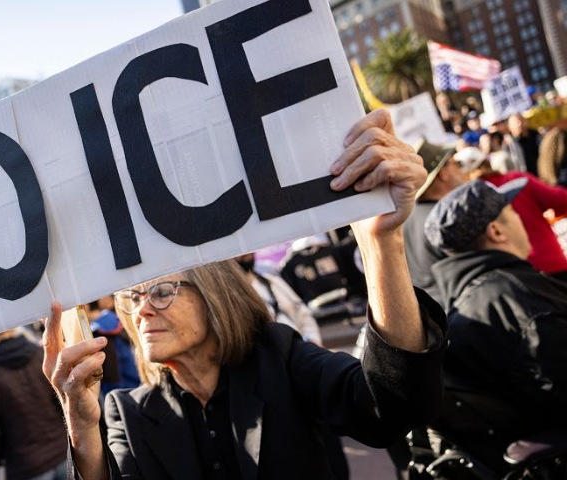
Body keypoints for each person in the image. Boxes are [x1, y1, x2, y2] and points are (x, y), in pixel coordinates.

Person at [42, 110, 447, 479]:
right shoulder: (126, 413)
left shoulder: (281, 360)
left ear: (215, 293)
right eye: (133, 297)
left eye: (162, 291)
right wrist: (79, 422)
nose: (142, 310)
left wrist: (380, 242)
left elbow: (390, 408)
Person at [424, 179, 567, 470]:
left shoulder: (464, 301)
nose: (521, 219)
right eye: (513, 212)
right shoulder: (519, 297)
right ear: (497, 231)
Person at [0, 329, 68, 480]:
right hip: (63, 452)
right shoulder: (41, 354)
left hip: (25, 463)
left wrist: (4, 454)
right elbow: (65, 402)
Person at [402, 138, 462, 308]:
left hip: (433, 317)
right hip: (461, 310)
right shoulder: (448, 218)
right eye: (455, 163)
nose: (460, 168)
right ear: (443, 173)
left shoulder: (403, 219)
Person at [234, 252, 322, 345]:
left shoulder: (272, 281)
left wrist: (312, 339)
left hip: (301, 349)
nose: (246, 253)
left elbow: (302, 314)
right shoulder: (233, 299)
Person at [85, 298, 140, 400]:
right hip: (138, 385)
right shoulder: (117, 319)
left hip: (122, 396)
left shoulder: (98, 336)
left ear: (85, 307)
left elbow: (111, 377)